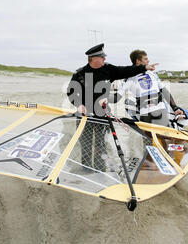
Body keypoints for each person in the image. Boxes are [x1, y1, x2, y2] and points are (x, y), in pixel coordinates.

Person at [66, 43, 157, 172]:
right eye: (102, 57)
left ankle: (100, 169)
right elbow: (71, 92)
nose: (104, 59)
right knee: (85, 143)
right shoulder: (80, 73)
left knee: (100, 143)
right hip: (84, 114)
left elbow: (126, 70)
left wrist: (144, 67)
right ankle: (86, 169)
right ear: (94, 58)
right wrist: (79, 104)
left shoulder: (108, 69)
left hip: (102, 112)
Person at [109, 49, 185, 127]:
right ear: (138, 61)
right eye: (145, 59)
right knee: (149, 139)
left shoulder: (152, 74)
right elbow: (115, 98)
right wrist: (100, 96)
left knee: (167, 137)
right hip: (145, 115)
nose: (148, 61)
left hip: (160, 111)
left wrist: (175, 108)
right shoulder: (129, 79)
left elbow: (164, 91)